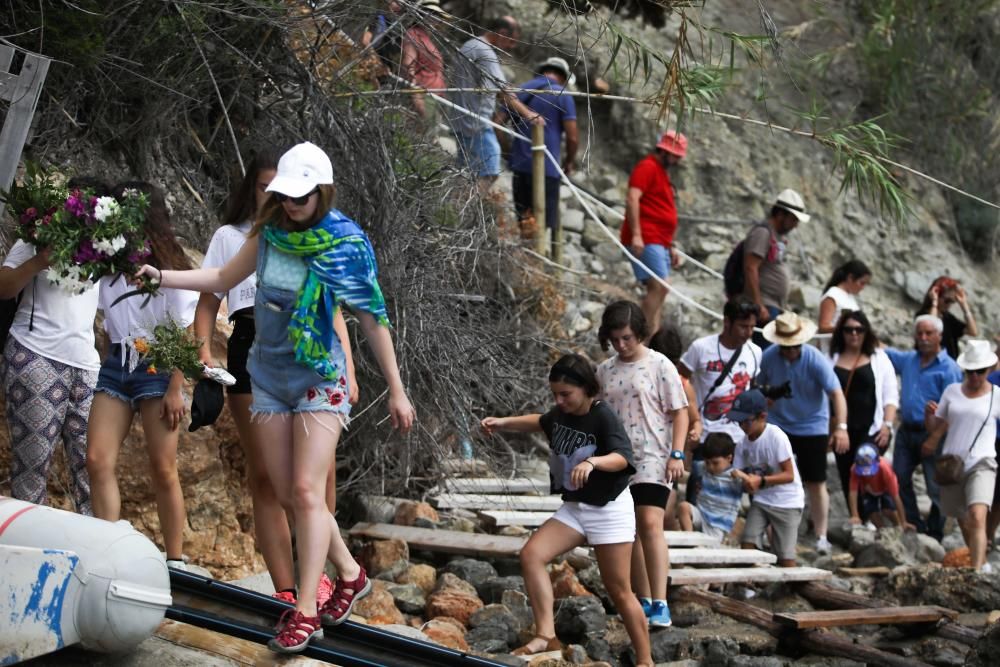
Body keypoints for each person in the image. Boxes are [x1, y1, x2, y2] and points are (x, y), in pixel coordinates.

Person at [135, 142, 416, 653]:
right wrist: (162, 275)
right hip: (267, 376)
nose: (290, 205)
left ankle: (305, 609)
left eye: (300, 197)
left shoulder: (344, 243)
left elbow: (372, 318)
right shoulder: (270, 233)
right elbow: (221, 279)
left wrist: (397, 390)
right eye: (285, 196)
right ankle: (350, 573)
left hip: (318, 376)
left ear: (322, 192)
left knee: (308, 493)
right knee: (288, 491)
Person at [192, 148, 357, 605]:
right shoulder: (232, 236)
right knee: (267, 477)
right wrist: (204, 349)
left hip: (311, 352)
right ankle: (288, 587)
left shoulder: (311, 235)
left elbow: (334, 308)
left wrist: (350, 366)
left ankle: (321, 576)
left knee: (314, 478)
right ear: (254, 188)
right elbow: (212, 292)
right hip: (252, 343)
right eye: (267, 184)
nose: (277, 193)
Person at [480, 354, 652, 665]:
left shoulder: (602, 416)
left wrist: (592, 461)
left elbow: (622, 457)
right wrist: (503, 423)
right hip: (575, 508)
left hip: (609, 509)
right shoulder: (560, 414)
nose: (559, 401)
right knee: (532, 555)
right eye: (555, 394)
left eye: (566, 394)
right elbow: (540, 421)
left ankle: (645, 660)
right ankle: (546, 636)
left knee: (619, 589)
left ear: (587, 389)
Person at [86, 182, 199, 568]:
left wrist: (176, 388)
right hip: (118, 361)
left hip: (159, 364)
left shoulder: (171, 266)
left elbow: (189, 331)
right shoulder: (109, 262)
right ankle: (109, 548)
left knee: (164, 468)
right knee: (98, 460)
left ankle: (175, 561)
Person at [0, 178, 107, 514]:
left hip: (86, 366)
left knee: (94, 466)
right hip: (35, 357)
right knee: (32, 466)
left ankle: (98, 553)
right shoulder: (34, 240)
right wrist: (39, 261)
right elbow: (3, 288)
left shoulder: (104, 251)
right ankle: (26, 554)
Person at [596, 301, 687, 628]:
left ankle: (661, 602)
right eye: (616, 339)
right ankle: (644, 597)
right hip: (619, 458)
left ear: (641, 335)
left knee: (650, 522)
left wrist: (677, 454)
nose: (621, 345)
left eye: (628, 338)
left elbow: (680, 412)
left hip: (654, 454)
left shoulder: (660, 364)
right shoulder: (605, 370)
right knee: (630, 527)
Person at [757, 312, 848, 555]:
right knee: (773, 475)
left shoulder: (814, 359)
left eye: (794, 346)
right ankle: (771, 531)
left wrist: (840, 427)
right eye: (785, 347)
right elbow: (757, 386)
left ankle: (821, 535)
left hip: (811, 425)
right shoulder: (769, 358)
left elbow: (836, 393)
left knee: (816, 481)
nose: (790, 351)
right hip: (779, 423)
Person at [922, 340, 999, 570]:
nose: (975, 377)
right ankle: (981, 559)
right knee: (963, 519)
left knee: (977, 515)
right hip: (952, 463)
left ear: (988, 370)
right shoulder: (952, 391)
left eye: (980, 372)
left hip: (982, 462)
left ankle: (976, 571)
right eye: (971, 371)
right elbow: (936, 426)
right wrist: (929, 417)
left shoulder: (996, 395)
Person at [885, 314, 963, 540]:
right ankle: (913, 522)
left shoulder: (949, 369)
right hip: (907, 428)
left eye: (929, 333)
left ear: (939, 336)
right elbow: (884, 352)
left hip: (933, 432)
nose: (923, 338)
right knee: (899, 476)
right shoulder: (910, 359)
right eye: (919, 333)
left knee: (935, 483)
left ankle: (936, 530)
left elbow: (953, 408)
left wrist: (935, 437)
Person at [678, 297, 761, 505]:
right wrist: (690, 420)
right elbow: (680, 380)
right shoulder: (701, 348)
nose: (749, 332)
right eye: (743, 326)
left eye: (752, 327)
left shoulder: (755, 351)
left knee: (730, 494)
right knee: (697, 489)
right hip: (706, 433)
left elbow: (753, 387)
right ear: (727, 322)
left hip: (738, 436)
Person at [447, 15, 544, 192]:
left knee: (465, 172)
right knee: (490, 170)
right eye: (511, 42)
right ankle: (464, 210)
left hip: (460, 120)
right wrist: (529, 114)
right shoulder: (484, 51)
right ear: (502, 33)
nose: (511, 47)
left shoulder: (470, 44)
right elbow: (504, 91)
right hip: (475, 123)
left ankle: (454, 211)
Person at [728, 389, 804, 567]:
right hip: (762, 500)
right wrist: (746, 483)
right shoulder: (742, 445)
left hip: (787, 502)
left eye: (746, 421)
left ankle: (791, 591)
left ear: (762, 416)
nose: (742, 427)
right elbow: (743, 478)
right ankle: (747, 586)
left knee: (785, 555)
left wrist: (760, 481)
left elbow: (789, 475)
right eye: (739, 422)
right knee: (748, 542)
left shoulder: (776, 436)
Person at [621, 130, 687, 335]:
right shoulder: (647, 167)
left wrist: (671, 246)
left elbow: (660, 210)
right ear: (663, 150)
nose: (676, 160)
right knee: (660, 286)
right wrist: (637, 235)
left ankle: (652, 342)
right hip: (648, 237)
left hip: (659, 240)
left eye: (678, 156)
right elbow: (633, 198)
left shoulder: (661, 172)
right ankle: (638, 337)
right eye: (673, 154)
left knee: (658, 289)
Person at [829, 310, 899, 504]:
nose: (854, 334)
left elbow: (890, 394)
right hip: (842, 428)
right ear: (841, 332)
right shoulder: (831, 358)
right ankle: (856, 517)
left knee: (868, 470)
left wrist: (887, 424)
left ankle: (874, 515)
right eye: (849, 330)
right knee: (846, 472)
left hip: (872, 427)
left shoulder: (879, 358)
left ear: (866, 332)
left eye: (859, 330)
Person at [504, 56, 578, 237]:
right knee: (541, 224)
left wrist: (510, 154)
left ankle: (524, 258)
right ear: (563, 76)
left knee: (525, 221)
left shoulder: (521, 91)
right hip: (548, 169)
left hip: (520, 167)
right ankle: (535, 261)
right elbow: (573, 137)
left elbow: (497, 123)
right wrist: (569, 162)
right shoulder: (562, 94)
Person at [648, 324, 702, 530]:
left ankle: (675, 559)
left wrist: (696, 431)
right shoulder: (639, 377)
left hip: (669, 456)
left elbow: (695, 418)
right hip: (640, 453)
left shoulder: (683, 385)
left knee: (665, 513)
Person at [741, 189, 810, 343]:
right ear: (780, 214)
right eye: (793, 219)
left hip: (773, 307)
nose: (795, 225)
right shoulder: (763, 234)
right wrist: (759, 305)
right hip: (765, 307)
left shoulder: (776, 237)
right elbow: (750, 268)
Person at [677, 433, 742, 542]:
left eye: (715, 463)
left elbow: (751, 484)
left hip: (718, 523)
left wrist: (743, 476)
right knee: (684, 507)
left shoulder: (735, 476)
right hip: (701, 514)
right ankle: (689, 540)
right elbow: (686, 469)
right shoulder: (702, 467)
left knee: (709, 552)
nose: (711, 467)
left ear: (729, 458)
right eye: (708, 463)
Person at [398, 0, 448, 123]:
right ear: (421, 14)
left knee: (430, 135)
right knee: (422, 135)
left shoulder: (426, 37)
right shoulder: (414, 34)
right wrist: (416, 96)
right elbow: (408, 65)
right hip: (424, 95)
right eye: (431, 14)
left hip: (434, 96)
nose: (435, 19)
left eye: (437, 15)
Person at [848, 444, 912, 531]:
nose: (867, 474)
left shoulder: (885, 468)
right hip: (868, 491)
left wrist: (903, 521)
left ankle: (899, 526)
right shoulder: (855, 469)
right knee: (872, 512)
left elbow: (896, 497)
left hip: (885, 489)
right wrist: (855, 515)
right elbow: (853, 492)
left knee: (888, 510)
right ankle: (882, 531)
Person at [917, 276, 979, 360]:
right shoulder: (922, 316)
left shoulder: (948, 317)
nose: (949, 305)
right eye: (947, 301)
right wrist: (934, 302)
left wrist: (964, 306)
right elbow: (931, 326)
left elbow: (973, 331)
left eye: (952, 302)